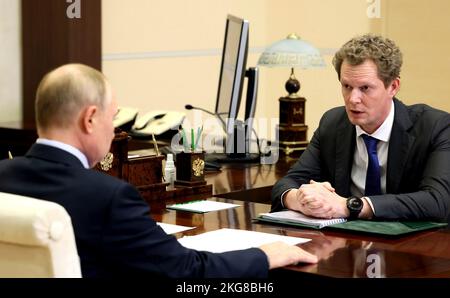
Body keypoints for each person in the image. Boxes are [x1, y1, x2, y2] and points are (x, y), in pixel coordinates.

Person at [0, 64, 317, 278]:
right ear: (90, 119)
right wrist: (265, 255)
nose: (114, 131)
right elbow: (187, 272)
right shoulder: (108, 197)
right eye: (113, 119)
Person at [272, 34, 450, 221]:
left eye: (365, 88)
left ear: (393, 87)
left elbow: (438, 201)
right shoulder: (332, 123)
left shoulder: (435, 127)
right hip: (347, 243)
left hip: (412, 244)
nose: (352, 99)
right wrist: (303, 199)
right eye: (347, 86)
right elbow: (287, 183)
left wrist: (349, 206)